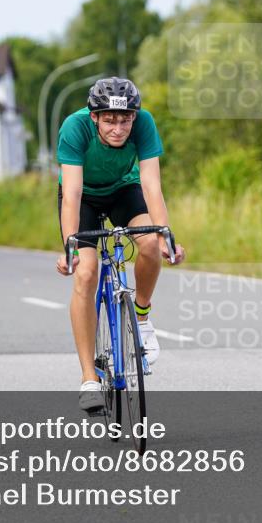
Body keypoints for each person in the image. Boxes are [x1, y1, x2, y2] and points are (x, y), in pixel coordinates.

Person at [54, 77, 186, 412]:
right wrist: (70, 247)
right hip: (83, 197)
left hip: (123, 190)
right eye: (110, 121)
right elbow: (71, 193)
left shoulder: (144, 123)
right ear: (94, 116)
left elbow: (151, 186)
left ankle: (140, 318)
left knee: (150, 245)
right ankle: (88, 378)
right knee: (86, 273)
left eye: (125, 120)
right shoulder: (74, 127)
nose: (118, 129)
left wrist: (166, 234)